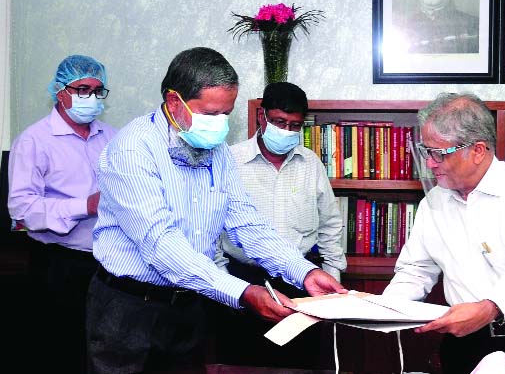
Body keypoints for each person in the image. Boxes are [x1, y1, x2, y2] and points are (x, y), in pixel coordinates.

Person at [86, 47, 346, 374]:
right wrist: (242, 291)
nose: (220, 125)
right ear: (173, 102)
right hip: (129, 308)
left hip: (189, 303)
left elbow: (246, 222)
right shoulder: (133, 149)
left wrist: (303, 270)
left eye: (227, 114)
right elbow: (161, 244)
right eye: (210, 114)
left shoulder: (216, 150)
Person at [383, 92, 505, 374]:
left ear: (477, 150)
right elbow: (416, 270)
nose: (430, 163)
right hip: (464, 344)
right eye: (426, 152)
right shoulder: (434, 201)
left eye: (439, 153)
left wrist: (490, 307)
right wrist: (386, 309)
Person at [213, 81, 347, 368]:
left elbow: (330, 226)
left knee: (299, 366)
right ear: (262, 116)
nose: (286, 131)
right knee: (240, 366)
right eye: (279, 122)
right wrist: (225, 285)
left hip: (301, 285)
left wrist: (331, 276)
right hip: (243, 282)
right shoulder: (229, 161)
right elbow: (211, 230)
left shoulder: (311, 164)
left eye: (294, 126)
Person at [7, 54, 117, 373]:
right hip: (60, 264)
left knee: (108, 352)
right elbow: (22, 210)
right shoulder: (34, 141)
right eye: (83, 89)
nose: (91, 98)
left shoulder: (111, 137)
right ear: (60, 91)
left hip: (108, 263)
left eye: (98, 91)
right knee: (63, 351)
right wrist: (85, 206)